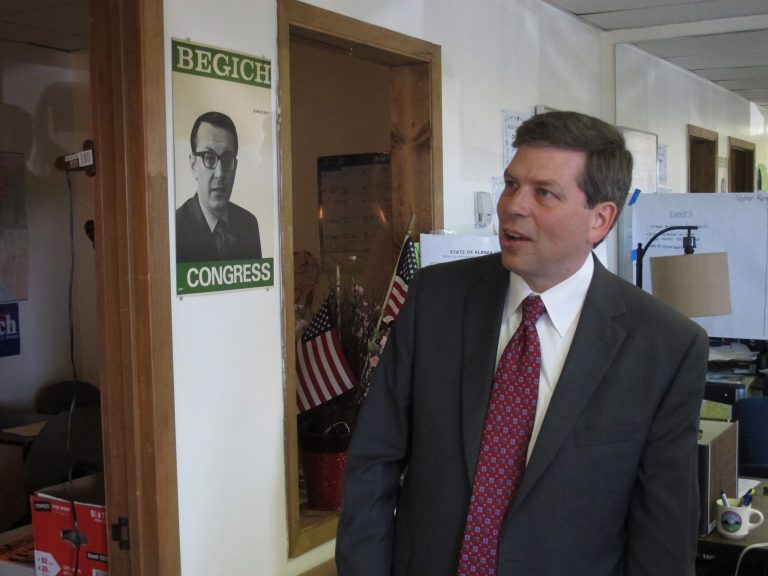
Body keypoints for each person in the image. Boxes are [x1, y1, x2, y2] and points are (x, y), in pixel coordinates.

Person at [336, 111, 708, 576]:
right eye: (511, 184)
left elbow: (663, 537)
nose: (513, 206)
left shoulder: (665, 347)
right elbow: (374, 461)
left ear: (600, 219)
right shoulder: (436, 299)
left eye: (544, 193)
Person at [176, 111, 261, 263]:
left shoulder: (249, 224)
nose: (220, 174)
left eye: (227, 159)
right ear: (193, 164)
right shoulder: (176, 228)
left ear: (235, 166)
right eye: (209, 158)